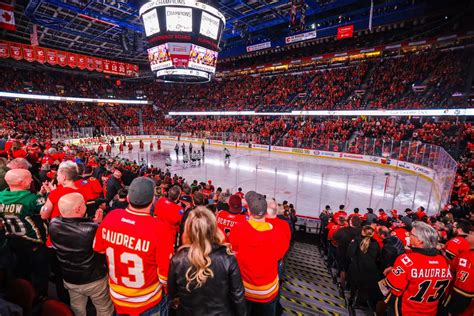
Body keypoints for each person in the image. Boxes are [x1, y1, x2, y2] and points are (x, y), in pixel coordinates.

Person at [93, 177, 174, 315]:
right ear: (153, 201)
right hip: (147, 301)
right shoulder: (160, 229)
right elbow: (165, 277)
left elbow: (98, 249)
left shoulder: (111, 217)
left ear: (128, 199)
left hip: (117, 296)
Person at [168, 206, 246, 316]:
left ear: (189, 229)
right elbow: (237, 295)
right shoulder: (227, 258)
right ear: (213, 228)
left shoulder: (178, 259)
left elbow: (172, 294)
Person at [49, 193, 113, 316]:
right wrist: (98, 224)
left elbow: (74, 226)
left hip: (70, 278)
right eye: (84, 203)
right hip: (94, 280)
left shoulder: (53, 223)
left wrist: (94, 222)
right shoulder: (92, 229)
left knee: (77, 308)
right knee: (104, 308)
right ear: (78, 209)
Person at [229, 191, 287, 315]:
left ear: (249, 211)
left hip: (244, 289)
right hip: (267, 292)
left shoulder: (238, 229)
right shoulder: (278, 233)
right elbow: (279, 256)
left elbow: (232, 252)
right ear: (266, 213)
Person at [384, 221, 452, 316]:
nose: (408, 236)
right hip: (431, 312)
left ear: (420, 241)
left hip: (406, 311)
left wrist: (390, 273)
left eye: (411, 234)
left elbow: (392, 287)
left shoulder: (406, 259)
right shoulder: (442, 261)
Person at [0, 169, 48, 295]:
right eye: (29, 178)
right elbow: (45, 211)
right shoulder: (31, 199)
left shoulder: (1, 196)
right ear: (21, 182)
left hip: (12, 241)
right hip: (33, 243)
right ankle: (40, 298)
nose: (32, 180)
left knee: (20, 274)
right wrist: (48, 194)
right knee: (39, 275)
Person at [346, 225, 381, 309]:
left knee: (354, 286)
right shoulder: (376, 243)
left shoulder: (357, 239)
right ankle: (359, 302)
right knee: (363, 288)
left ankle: (351, 300)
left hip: (357, 268)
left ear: (363, 232)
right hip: (369, 270)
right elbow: (377, 257)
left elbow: (350, 253)